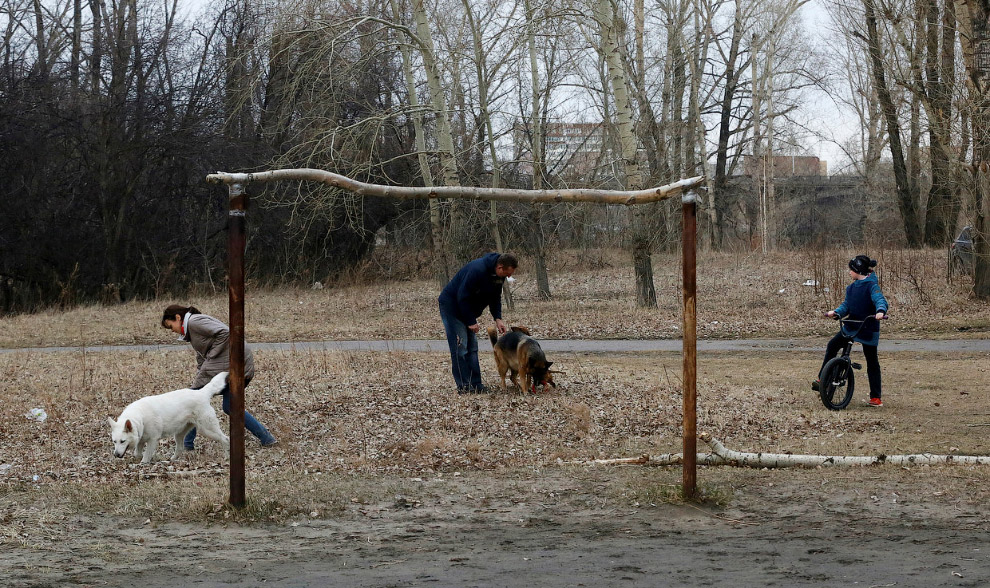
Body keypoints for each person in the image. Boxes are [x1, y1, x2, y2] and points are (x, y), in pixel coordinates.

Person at [161, 305, 278, 448]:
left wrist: (212, 355)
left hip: (233, 364)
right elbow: (202, 354)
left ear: (178, 318)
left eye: (170, 326)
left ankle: (186, 446)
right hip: (237, 365)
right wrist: (203, 368)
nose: (172, 330)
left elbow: (226, 333)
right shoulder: (192, 328)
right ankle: (267, 439)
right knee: (231, 406)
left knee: (191, 400)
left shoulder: (194, 322)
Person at [813, 255, 889, 407]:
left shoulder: (872, 286)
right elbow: (846, 305)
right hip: (851, 325)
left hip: (867, 327)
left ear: (858, 270)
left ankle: (876, 397)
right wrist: (836, 312)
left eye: (851, 270)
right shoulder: (851, 288)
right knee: (833, 345)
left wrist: (880, 311)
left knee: (872, 361)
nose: (849, 272)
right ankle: (823, 378)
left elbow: (880, 300)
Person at [438, 252, 518, 394]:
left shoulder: (498, 277)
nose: (508, 277)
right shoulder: (477, 270)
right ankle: (464, 386)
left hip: (467, 309)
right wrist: (470, 321)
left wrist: (497, 318)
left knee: (473, 348)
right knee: (460, 347)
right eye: (507, 274)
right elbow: (462, 296)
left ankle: (476, 384)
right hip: (452, 307)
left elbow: (495, 297)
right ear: (500, 267)